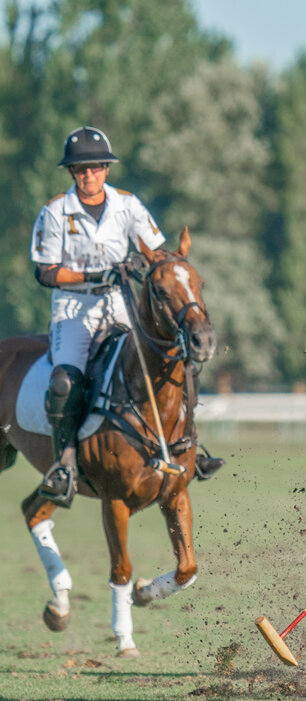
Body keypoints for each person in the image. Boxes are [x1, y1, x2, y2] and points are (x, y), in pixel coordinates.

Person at [30, 126, 224, 507]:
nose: (90, 175)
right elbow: (45, 271)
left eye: (97, 167)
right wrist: (93, 275)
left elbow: (158, 250)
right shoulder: (55, 211)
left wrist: (152, 265)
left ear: (106, 169)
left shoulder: (128, 205)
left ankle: (188, 447)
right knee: (65, 382)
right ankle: (65, 465)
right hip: (74, 310)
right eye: (82, 169)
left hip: (122, 305)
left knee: (176, 359)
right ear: (72, 173)